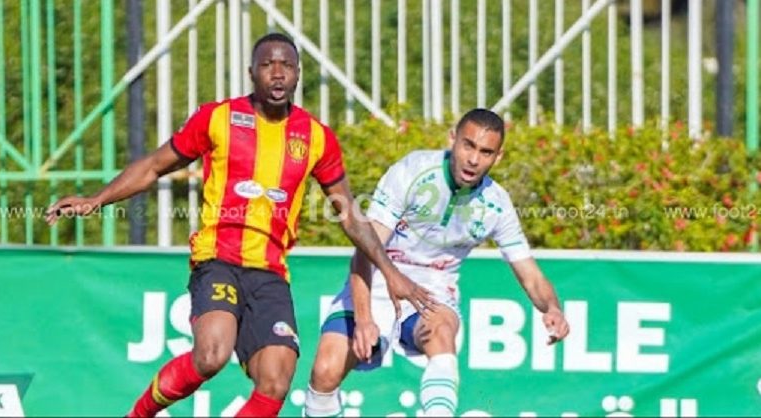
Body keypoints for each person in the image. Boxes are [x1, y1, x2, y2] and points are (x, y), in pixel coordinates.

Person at [45, 33, 433, 418]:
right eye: (267, 65)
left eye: (287, 65)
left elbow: (349, 214)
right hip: (218, 260)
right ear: (251, 73)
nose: (277, 73)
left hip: (270, 274)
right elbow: (153, 166)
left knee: (276, 380)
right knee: (211, 354)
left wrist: (391, 272)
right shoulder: (218, 118)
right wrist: (96, 200)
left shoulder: (316, 138)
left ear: (298, 74)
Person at [304, 109, 571, 417]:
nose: (474, 160)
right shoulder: (413, 171)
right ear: (452, 139)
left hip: (432, 292)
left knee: (441, 332)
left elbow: (531, 275)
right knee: (325, 371)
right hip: (378, 278)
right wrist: (364, 318)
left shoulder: (497, 204)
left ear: (497, 157)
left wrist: (552, 308)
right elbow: (366, 248)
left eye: (486, 152)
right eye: (468, 145)